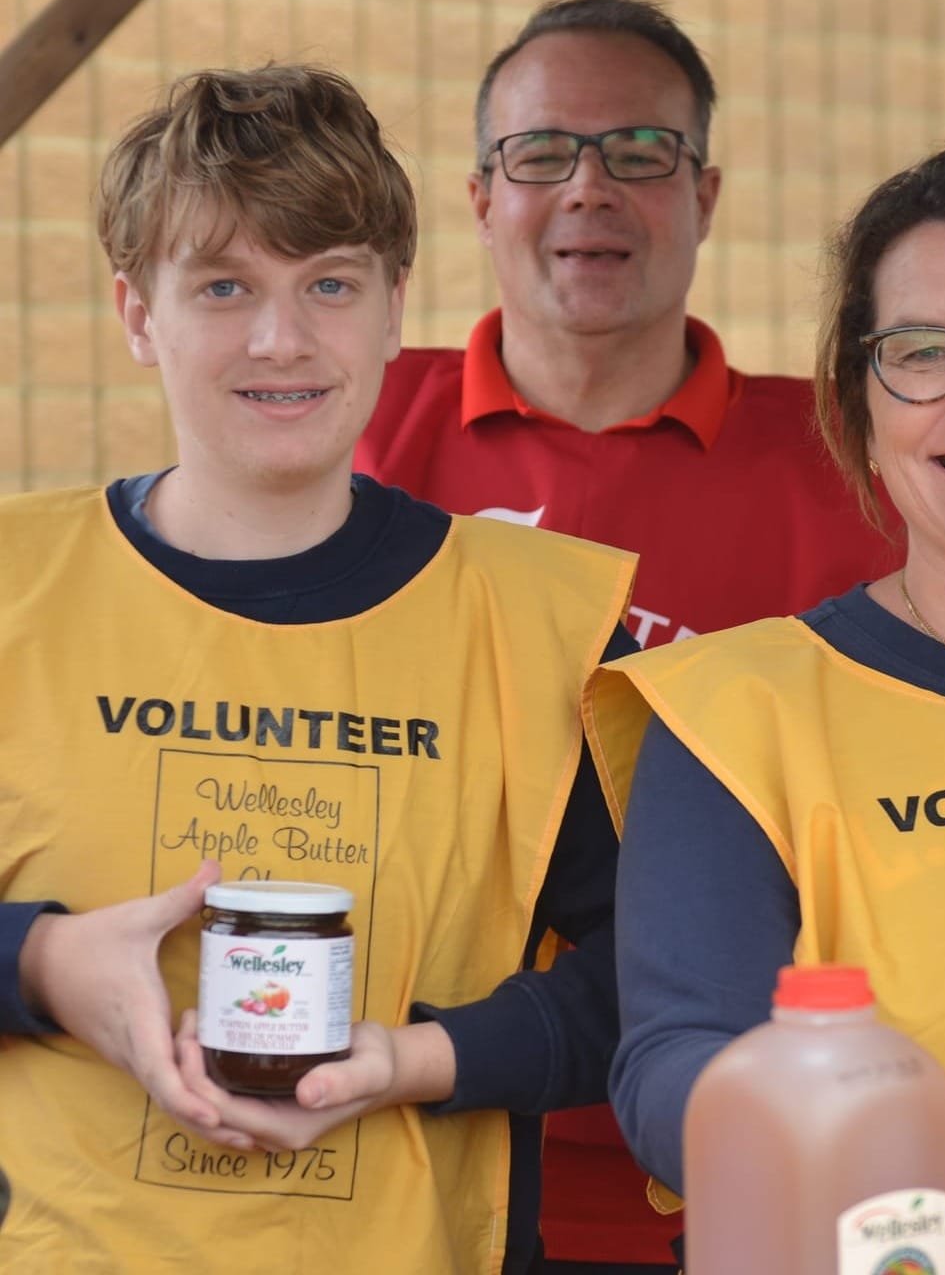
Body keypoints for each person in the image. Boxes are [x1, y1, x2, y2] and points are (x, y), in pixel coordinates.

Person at [0, 65, 640, 1274]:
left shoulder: (543, 622)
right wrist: (39, 962)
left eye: (329, 283)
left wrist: (416, 1062)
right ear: (139, 314)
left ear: (398, 306)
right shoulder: (11, 586)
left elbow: (664, 973)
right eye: (224, 284)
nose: (280, 338)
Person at [355, 0, 900, 1269]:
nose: (589, 188)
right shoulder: (358, 426)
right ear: (481, 199)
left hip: (720, 1162)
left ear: (704, 193)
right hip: (402, 1135)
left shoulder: (849, 463)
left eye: (638, 153)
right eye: (542, 153)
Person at [589, 142, 945, 1275]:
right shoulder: (741, 714)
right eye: (920, 353)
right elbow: (672, 1059)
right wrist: (794, 1127)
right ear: (859, 412)